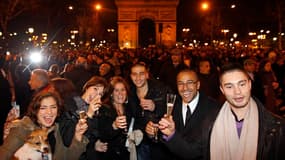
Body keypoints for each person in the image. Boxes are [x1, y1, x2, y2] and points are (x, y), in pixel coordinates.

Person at [210, 63, 285, 159]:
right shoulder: (210, 123)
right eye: (229, 87)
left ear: (250, 84)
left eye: (242, 84)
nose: (237, 92)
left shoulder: (276, 127)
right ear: (222, 90)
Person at [146, 69, 221, 160]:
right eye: (180, 83)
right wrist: (153, 132)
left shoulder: (212, 108)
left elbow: (198, 150)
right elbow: (162, 135)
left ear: (198, 85)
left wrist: (171, 135)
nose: (185, 88)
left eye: (189, 82)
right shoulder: (171, 104)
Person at [0, 91, 88, 160]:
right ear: (35, 110)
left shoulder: (55, 129)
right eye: (43, 108)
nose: (49, 112)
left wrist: (78, 134)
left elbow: (67, 158)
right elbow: (3, 155)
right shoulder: (23, 128)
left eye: (53, 107)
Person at [58, 76, 110, 160]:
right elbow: (68, 139)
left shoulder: (96, 111)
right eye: (95, 89)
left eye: (100, 94)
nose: (95, 95)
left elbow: (90, 137)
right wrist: (89, 114)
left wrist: (94, 145)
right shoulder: (69, 104)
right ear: (87, 87)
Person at [128, 62, 172, 160]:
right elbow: (131, 117)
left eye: (141, 73)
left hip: (160, 142)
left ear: (147, 75)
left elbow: (173, 108)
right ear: (131, 76)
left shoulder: (161, 89)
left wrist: (155, 107)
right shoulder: (130, 93)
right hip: (141, 141)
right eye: (134, 74)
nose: (138, 77)